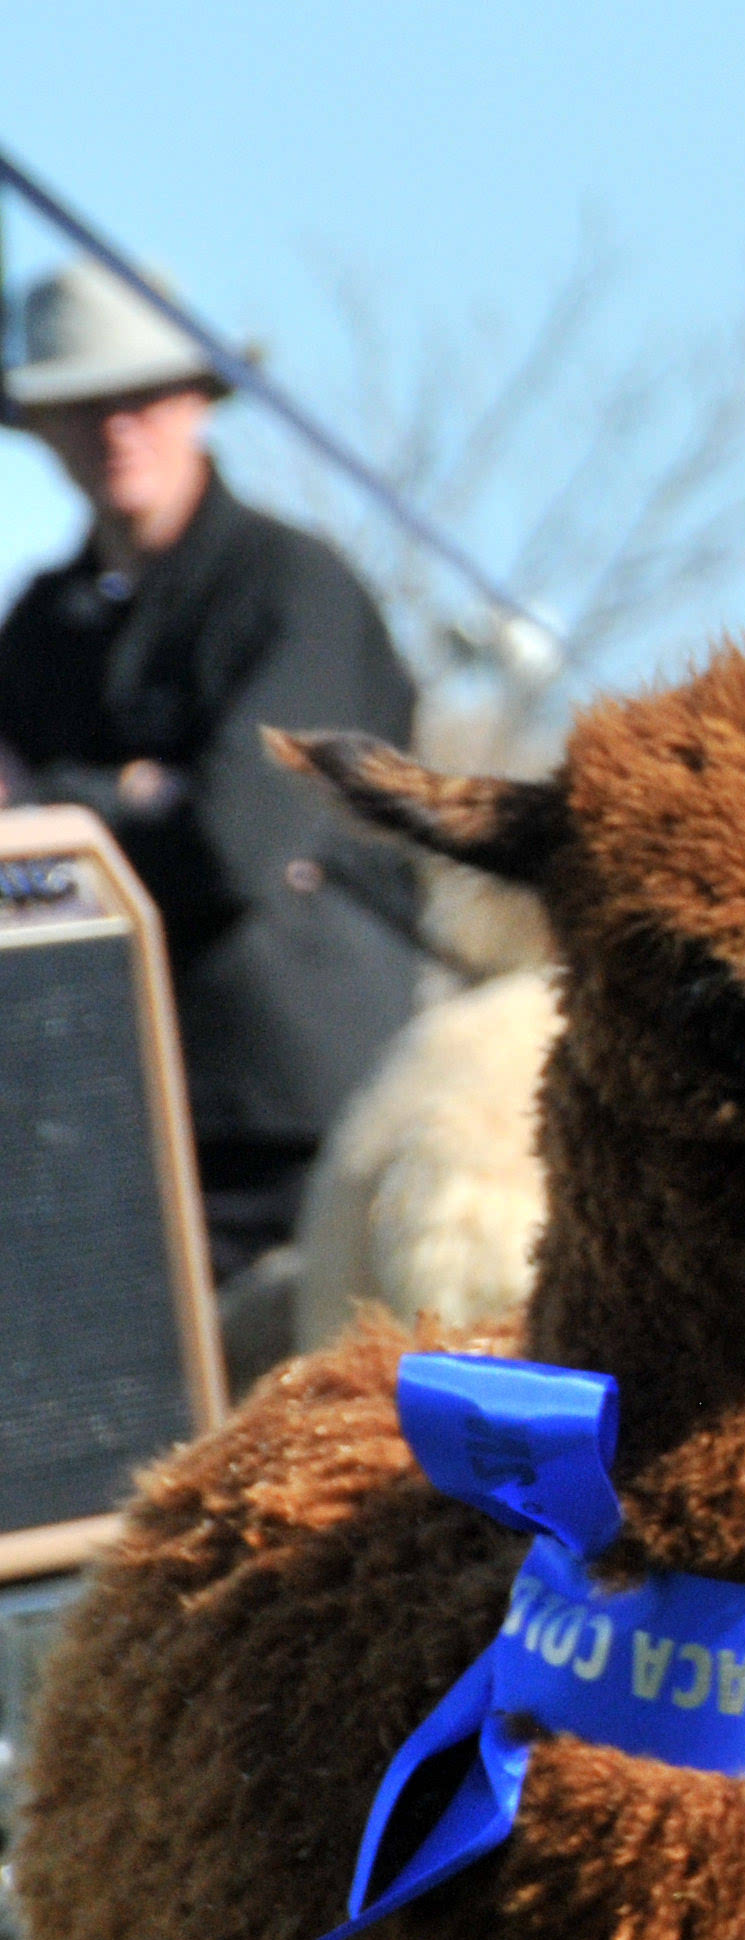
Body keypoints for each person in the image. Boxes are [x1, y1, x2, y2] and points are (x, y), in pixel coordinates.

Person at [0, 257, 420, 1283]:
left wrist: (59, 806)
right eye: (79, 403)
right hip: (101, 1113)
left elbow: (235, 839)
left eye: (139, 396)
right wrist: (134, 796)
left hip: (292, 1123)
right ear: (39, 424)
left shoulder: (291, 587)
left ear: (196, 399)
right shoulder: (40, 629)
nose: (115, 428)